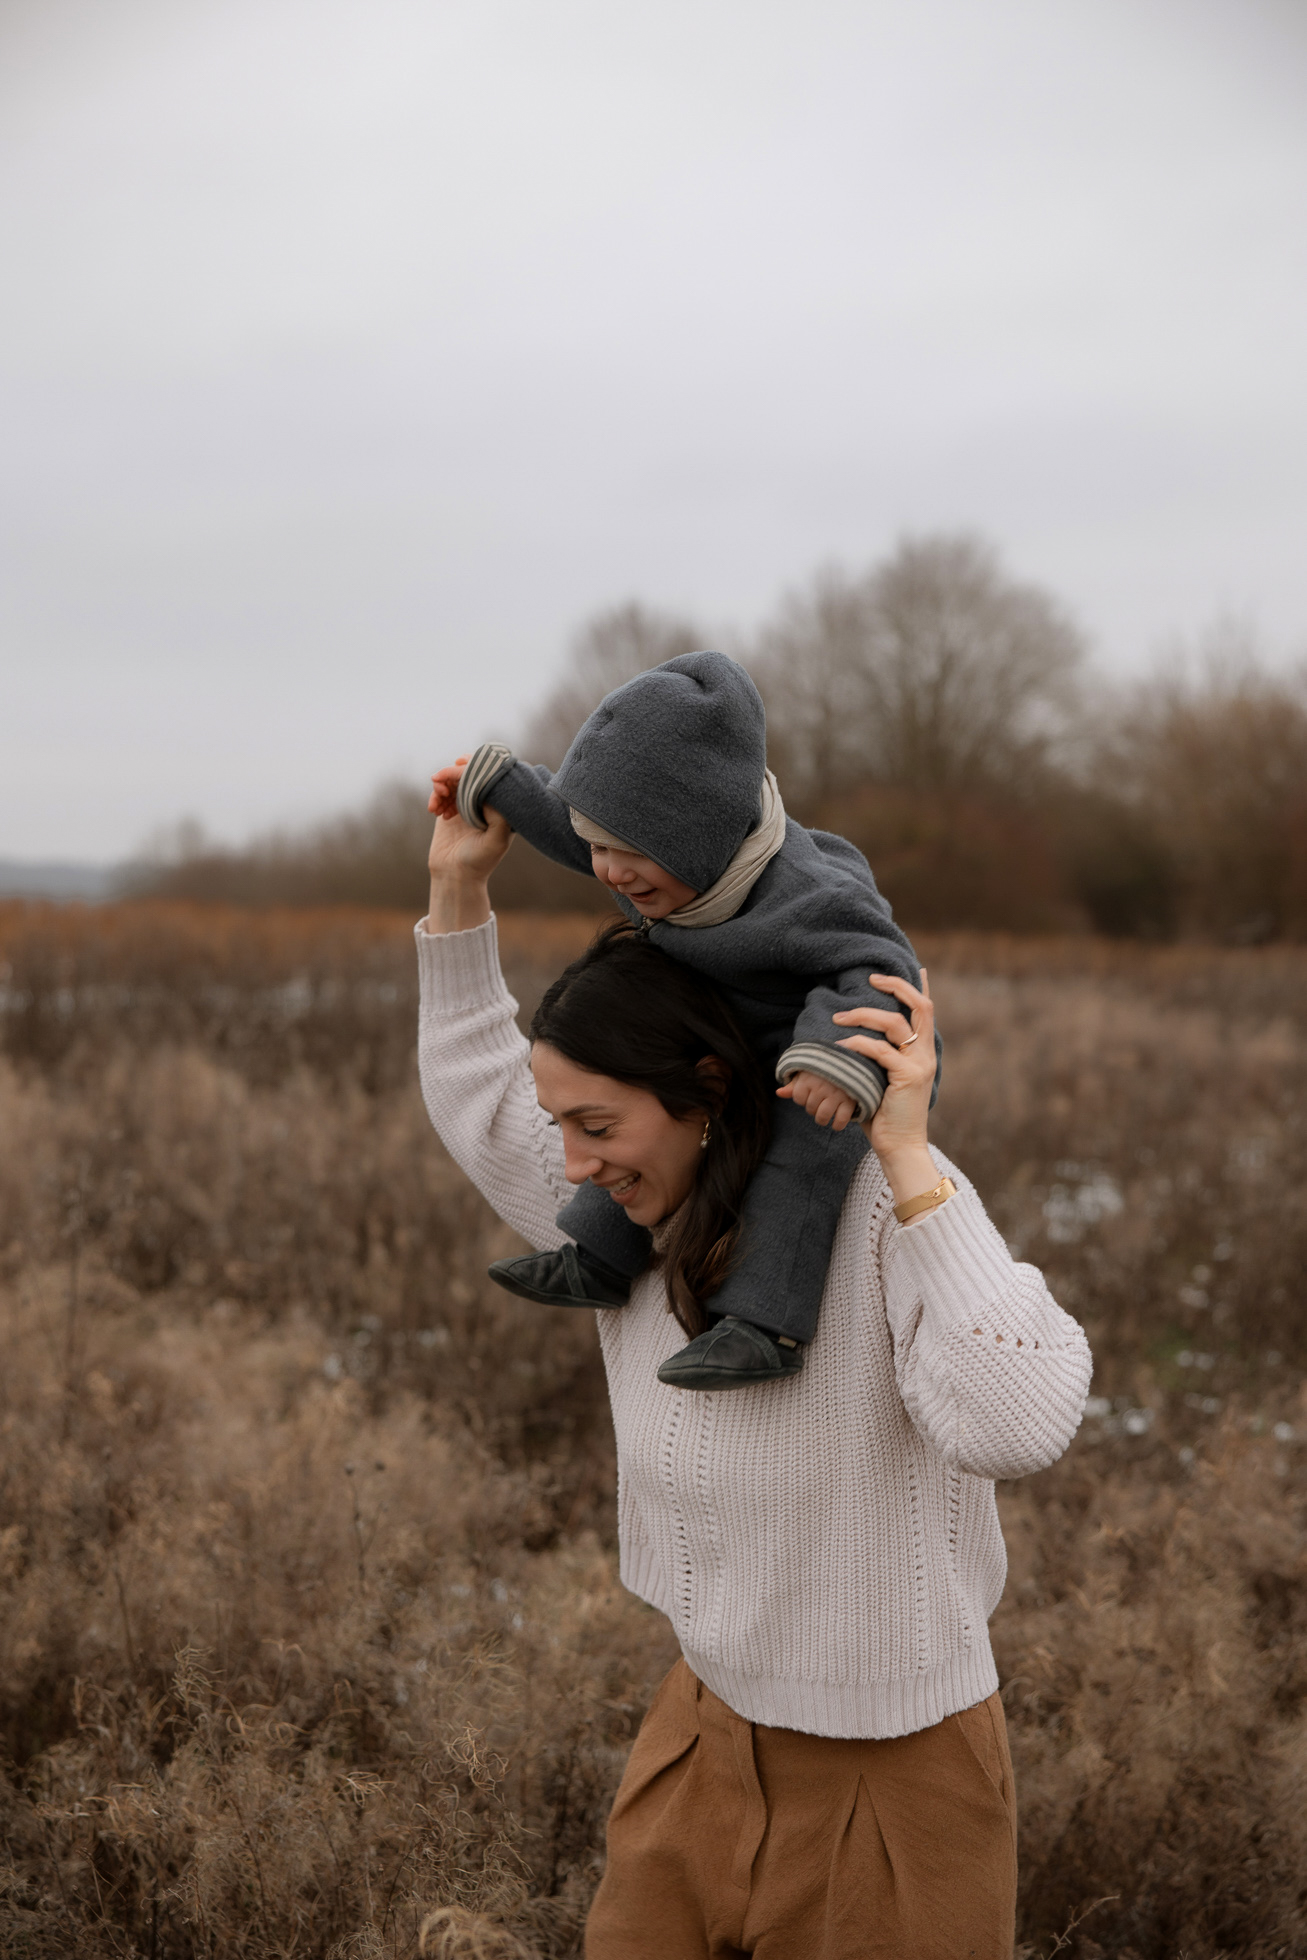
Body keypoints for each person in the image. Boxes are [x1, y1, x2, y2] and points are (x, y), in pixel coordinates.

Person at [416, 794, 1093, 1960]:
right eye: (558, 1126)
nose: (568, 1168)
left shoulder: (882, 1209)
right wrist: (458, 892)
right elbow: (481, 1106)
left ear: (707, 1091)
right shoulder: (627, 1211)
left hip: (895, 1778)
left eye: (593, 1124)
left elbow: (1019, 1418)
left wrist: (910, 1154)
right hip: (697, 1736)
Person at [428, 649, 943, 1392]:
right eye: (597, 845)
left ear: (697, 838)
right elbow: (565, 822)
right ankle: (601, 1260)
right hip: (724, 1035)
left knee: (801, 1151)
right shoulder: (655, 858)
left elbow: (879, 969)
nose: (606, 870)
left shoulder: (807, 894)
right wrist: (501, 784)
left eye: (626, 853)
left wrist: (833, 1057)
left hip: (827, 1058)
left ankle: (762, 1324)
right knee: (640, 1118)